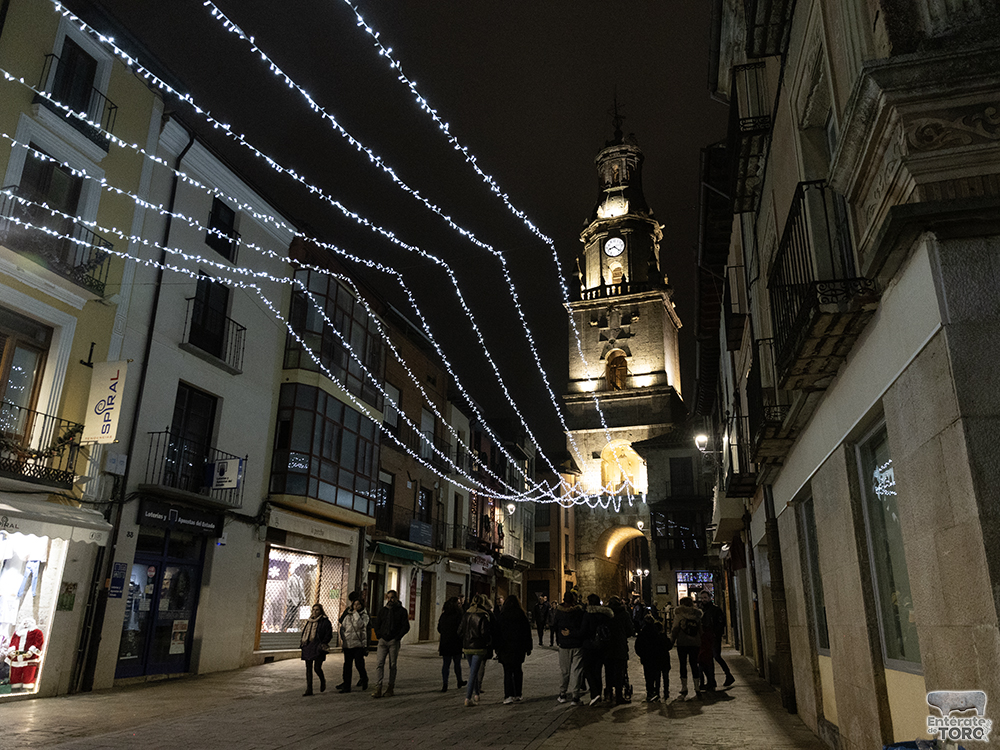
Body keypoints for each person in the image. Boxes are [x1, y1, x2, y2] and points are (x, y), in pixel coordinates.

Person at [371, 590, 409, 698]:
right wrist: (379, 635)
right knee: (379, 663)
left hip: (393, 641)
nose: (390, 600)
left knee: (392, 665)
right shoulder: (383, 610)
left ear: (396, 598)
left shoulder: (401, 611)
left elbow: (406, 626)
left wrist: (397, 637)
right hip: (383, 640)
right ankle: (378, 687)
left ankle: (390, 687)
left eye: (392, 597)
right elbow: (377, 624)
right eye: (388, 598)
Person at [495, 595, 533, 704]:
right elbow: (526, 632)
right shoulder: (521, 615)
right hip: (518, 647)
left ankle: (508, 695)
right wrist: (528, 647)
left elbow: (497, 633)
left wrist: (497, 648)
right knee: (517, 670)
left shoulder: (502, 615)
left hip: (505, 648)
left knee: (507, 671)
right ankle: (518, 694)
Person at [458, 594, 493, 707]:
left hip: (467, 647)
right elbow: (484, 632)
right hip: (478, 647)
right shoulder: (483, 615)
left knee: (474, 670)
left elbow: (459, 631)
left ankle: (477, 694)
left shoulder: (466, 614)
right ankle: (468, 698)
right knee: (473, 673)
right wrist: (488, 642)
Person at [551, 590, 585, 705]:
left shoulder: (559, 612)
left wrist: (559, 639)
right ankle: (575, 696)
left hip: (564, 645)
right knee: (577, 671)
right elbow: (582, 627)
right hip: (577, 644)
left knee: (564, 671)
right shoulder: (579, 611)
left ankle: (562, 693)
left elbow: (554, 626)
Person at [579, 593, 613, 705]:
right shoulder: (606, 615)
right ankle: (598, 694)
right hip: (603, 646)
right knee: (597, 670)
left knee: (588, 669)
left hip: (590, 646)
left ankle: (595, 693)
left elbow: (583, 631)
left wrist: (573, 634)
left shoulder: (588, 615)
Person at [697, 590, 734, 689]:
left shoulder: (715, 610)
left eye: (705, 597)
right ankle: (712, 680)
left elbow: (720, 623)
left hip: (713, 637)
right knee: (709, 658)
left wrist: (716, 634)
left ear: (710, 598)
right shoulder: (701, 610)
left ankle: (727, 675)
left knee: (716, 656)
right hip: (706, 637)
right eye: (702, 598)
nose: (703, 600)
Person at [634, 614, 672, 701]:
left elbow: (638, 646)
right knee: (658, 676)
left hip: (646, 658)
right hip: (657, 657)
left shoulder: (642, 633)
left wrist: (642, 655)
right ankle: (661, 691)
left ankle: (650, 691)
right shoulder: (658, 634)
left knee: (648, 676)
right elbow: (667, 645)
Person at [671, 596, 703, 697]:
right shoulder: (697, 614)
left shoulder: (679, 614)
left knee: (683, 664)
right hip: (695, 643)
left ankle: (684, 687)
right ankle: (697, 687)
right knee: (694, 664)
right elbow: (700, 630)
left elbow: (675, 628)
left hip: (682, 642)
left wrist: (672, 641)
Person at [336, 598, 369, 693]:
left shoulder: (364, 616)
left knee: (359, 664)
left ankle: (364, 678)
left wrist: (355, 614)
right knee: (347, 665)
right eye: (354, 604)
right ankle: (346, 685)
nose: (356, 606)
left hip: (358, 644)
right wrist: (344, 639)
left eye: (358, 604)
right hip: (348, 644)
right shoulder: (348, 615)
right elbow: (343, 628)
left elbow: (360, 625)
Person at [606, 596, 634, 704]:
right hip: (620, 646)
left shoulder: (606, 614)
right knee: (620, 671)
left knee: (609, 670)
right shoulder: (624, 614)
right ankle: (619, 695)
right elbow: (630, 631)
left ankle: (609, 693)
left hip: (608, 645)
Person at [300, 603, 333, 696]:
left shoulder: (325, 621)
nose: (314, 612)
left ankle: (322, 680)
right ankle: (309, 689)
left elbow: (328, 634)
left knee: (317, 668)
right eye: (313, 610)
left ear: (321, 611)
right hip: (308, 646)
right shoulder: (309, 621)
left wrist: (323, 643)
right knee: (308, 668)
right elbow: (305, 633)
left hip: (318, 647)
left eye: (317, 610)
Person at [437, 597, 466, 691]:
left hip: (445, 642)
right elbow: (461, 629)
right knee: (457, 663)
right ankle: (459, 680)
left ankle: (445, 684)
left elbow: (439, 628)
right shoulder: (459, 615)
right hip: (456, 642)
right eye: (458, 603)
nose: (460, 605)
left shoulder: (444, 615)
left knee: (446, 664)